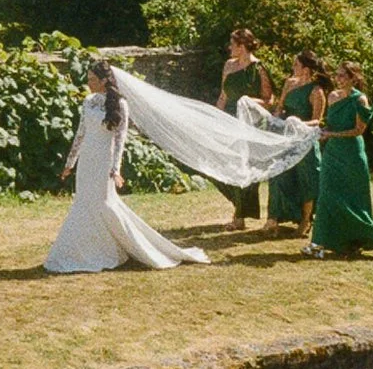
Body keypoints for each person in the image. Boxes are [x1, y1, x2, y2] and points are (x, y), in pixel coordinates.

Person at [46, 60, 211, 272]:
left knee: (104, 204)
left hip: (104, 160)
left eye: (93, 80)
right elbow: (81, 133)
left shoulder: (120, 105)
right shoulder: (88, 102)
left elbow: (119, 140)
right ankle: (82, 251)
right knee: (84, 203)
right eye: (88, 79)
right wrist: (70, 163)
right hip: (87, 159)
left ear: (105, 81)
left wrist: (115, 169)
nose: (88, 83)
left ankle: (133, 247)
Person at [309, 60, 373, 257]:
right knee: (327, 194)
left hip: (352, 154)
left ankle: (355, 240)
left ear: (354, 78)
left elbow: (358, 130)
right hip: (332, 153)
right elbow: (331, 125)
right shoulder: (333, 96)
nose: (339, 79)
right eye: (337, 75)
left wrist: (332, 135)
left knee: (352, 198)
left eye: (344, 75)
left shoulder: (360, 100)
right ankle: (319, 242)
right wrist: (323, 131)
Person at [212, 28, 273, 228]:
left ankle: (239, 217)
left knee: (244, 167)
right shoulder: (229, 66)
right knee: (220, 164)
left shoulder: (259, 69)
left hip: (250, 124)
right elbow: (223, 95)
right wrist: (215, 119)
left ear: (242, 46)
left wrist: (248, 102)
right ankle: (239, 207)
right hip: (228, 120)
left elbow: (269, 100)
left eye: (232, 44)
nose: (229, 48)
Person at [267, 50, 328, 232]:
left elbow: (318, 120)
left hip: (305, 139)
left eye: (296, 64)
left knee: (306, 178)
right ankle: (273, 219)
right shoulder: (289, 83)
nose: (292, 67)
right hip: (287, 137)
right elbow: (280, 107)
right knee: (278, 174)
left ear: (306, 69)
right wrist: (275, 119)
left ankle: (306, 220)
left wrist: (298, 123)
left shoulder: (317, 91)